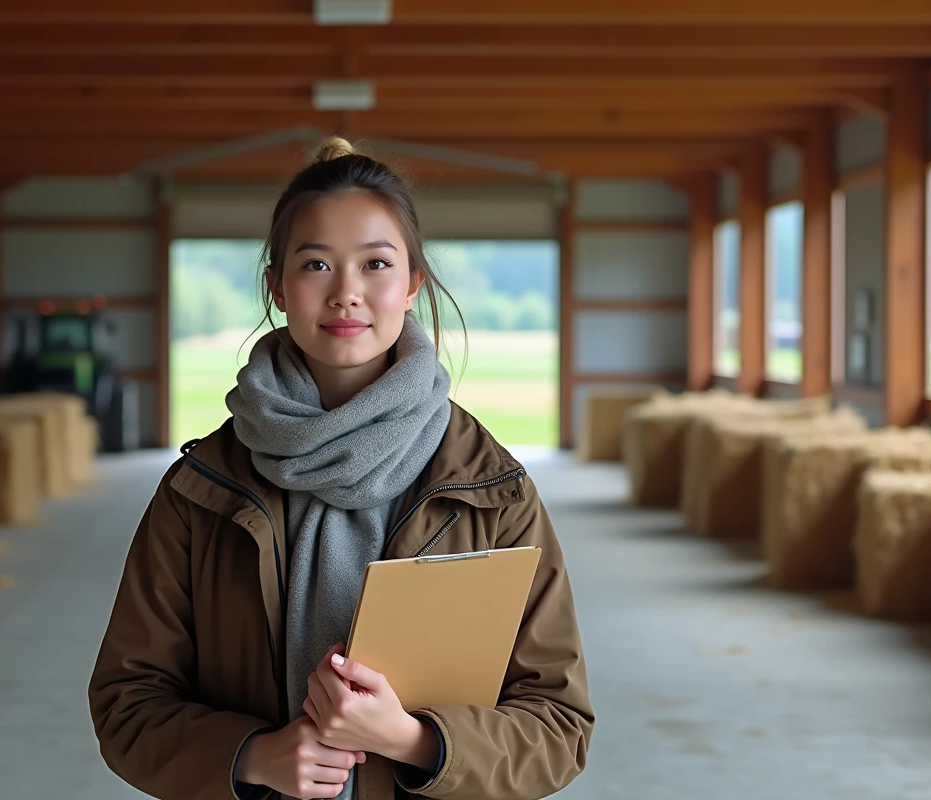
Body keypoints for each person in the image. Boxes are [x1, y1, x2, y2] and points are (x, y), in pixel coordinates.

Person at [88, 137, 594, 800]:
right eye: (317, 264)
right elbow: (128, 702)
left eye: (376, 264)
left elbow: (559, 723)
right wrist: (252, 757)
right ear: (277, 285)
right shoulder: (202, 491)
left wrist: (414, 742)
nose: (347, 294)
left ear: (412, 283)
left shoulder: (492, 492)